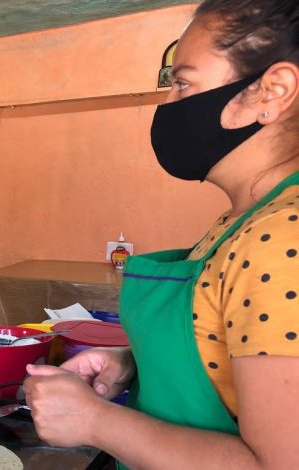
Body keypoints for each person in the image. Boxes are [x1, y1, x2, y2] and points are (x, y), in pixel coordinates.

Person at [23, 1, 299, 468]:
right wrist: (132, 363)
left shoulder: (283, 237)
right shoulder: (240, 222)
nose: (169, 106)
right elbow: (223, 348)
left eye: (183, 83)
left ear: (272, 91)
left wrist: (94, 421)